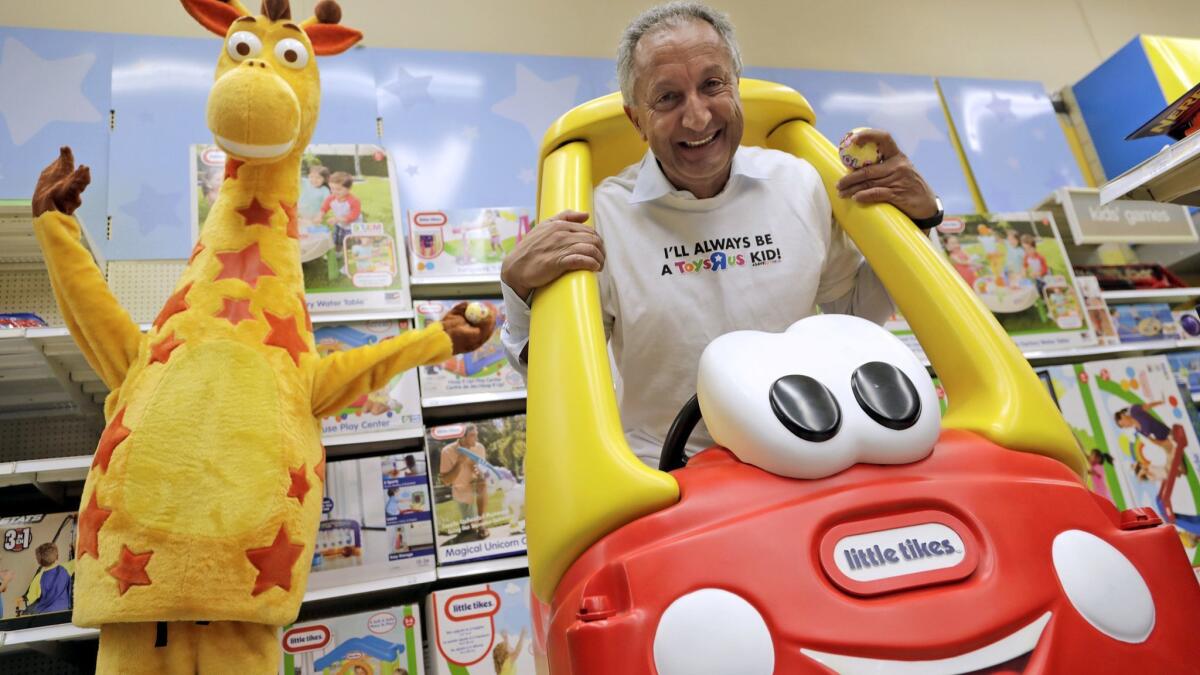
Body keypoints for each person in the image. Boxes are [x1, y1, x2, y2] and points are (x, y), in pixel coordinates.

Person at [499, 2, 942, 464]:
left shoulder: (800, 181)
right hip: (669, 471)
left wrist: (919, 220)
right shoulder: (600, 214)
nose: (697, 118)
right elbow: (565, 377)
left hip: (804, 451)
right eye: (667, 98)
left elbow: (853, 317)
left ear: (736, 88)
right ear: (637, 120)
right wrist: (517, 293)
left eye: (712, 85)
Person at [439, 424, 490, 542]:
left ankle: (482, 525)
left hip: (477, 488)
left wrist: (481, 472)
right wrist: (459, 463)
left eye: (476, 435)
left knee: (482, 482)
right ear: (462, 437)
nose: (476, 438)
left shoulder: (479, 448)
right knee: (468, 528)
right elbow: (446, 481)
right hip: (461, 492)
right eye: (472, 436)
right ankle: (467, 524)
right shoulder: (447, 451)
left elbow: (485, 472)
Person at [320, 170, 362, 261]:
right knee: (338, 239)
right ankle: (338, 253)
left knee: (353, 241)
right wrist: (320, 215)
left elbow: (353, 216)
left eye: (338, 189)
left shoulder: (354, 201)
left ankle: (356, 256)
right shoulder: (331, 198)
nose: (334, 192)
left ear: (349, 188)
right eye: (332, 188)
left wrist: (338, 219)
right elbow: (324, 207)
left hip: (354, 226)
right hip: (340, 224)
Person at [21, 543, 71, 615]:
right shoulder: (65, 570)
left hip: (45, 613)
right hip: (64, 609)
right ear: (57, 557)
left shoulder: (39, 577)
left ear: (39, 561)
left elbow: (31, 598)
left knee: (28, 611)